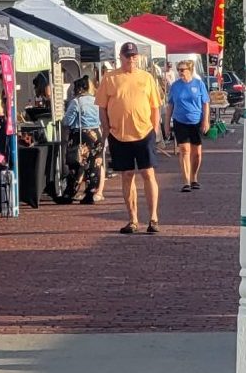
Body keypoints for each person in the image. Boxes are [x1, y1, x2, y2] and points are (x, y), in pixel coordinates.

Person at [95, 41, 165, 234]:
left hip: (144, 132)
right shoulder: (110, 78)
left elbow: (155, 105)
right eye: (128, 56)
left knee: (148, 173)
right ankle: (133, 219)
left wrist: (155, 128)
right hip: (119, 134)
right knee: (126, 175)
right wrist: (106, 128)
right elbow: (102, 106)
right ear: (121, 57)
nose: (131, 59)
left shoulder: (147, 77)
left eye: (134, 56)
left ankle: (153, 218)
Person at [168, 59, 211, 192]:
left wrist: (206, 120)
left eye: (182, 70)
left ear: (190, 70)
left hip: (196, 121)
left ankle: (194, 177)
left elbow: (205, 103)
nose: (180, 72)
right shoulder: (175, 86)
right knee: (184, 150)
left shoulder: (199, 84)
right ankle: (186, 181)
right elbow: (170, 105)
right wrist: (166, 124)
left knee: (196, 153)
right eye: (178, 70)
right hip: (180, 121)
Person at [61, 76, 103, 203]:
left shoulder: (76, 102)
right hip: (96, 133)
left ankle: (70, 193)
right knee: (94, 164)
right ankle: (90, 193)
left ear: (78, 89)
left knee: (76, 163)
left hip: (81, 135)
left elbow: (67, 121)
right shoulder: (97, 100)